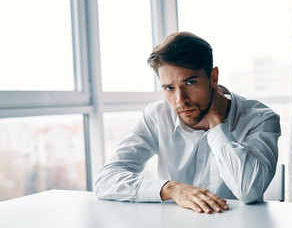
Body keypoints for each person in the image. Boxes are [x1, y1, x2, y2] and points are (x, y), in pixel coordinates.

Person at [95, 31, 281, 214]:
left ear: (213, 78)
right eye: (169, 88)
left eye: (190, 83)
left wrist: (217, 125)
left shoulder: (259, 119)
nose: (180, 100)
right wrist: (172, 189)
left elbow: (249, 191)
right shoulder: (157, 116)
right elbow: (105, 180)